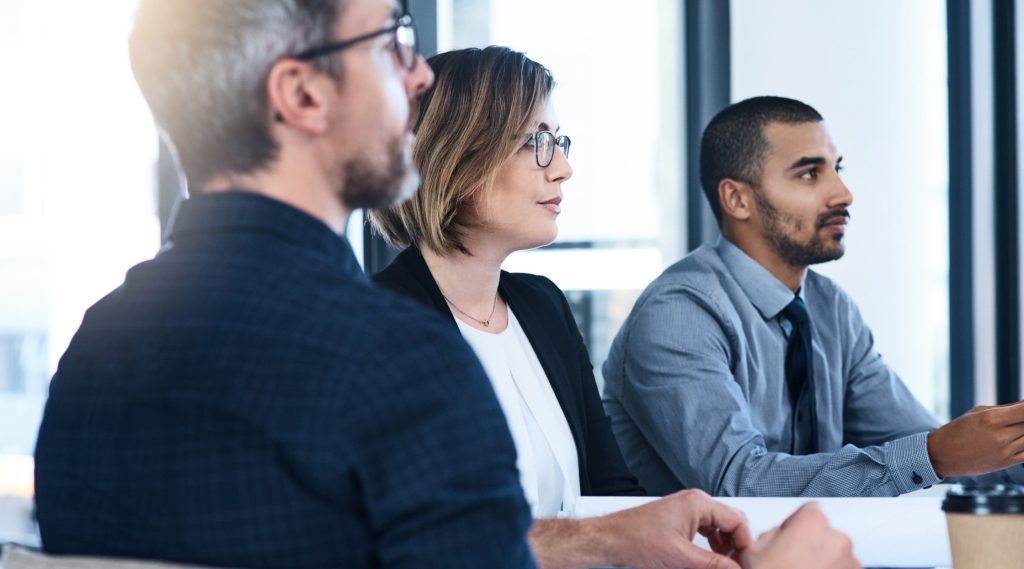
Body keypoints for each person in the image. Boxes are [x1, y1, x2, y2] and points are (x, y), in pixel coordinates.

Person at [33, 2, 538, 568]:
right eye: (391, 41)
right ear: (301, 95)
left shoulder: (90, 359)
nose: (420, 74)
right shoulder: (401, 366)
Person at [371, 47, 859, 569]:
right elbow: (405, 537)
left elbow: (609, 496)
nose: (563, 168)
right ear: (460, 155)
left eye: (559, 142)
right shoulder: (374, 328)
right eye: (538, 142)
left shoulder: (541, 306)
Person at [603, 95, 1024, 497]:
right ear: (737, 199)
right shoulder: (679, 315)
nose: (843, 194)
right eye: (809, 173)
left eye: (837, 168)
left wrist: (987, 447)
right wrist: (934, 455)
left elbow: (922, 445)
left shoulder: (829, 308)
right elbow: (738, 484)